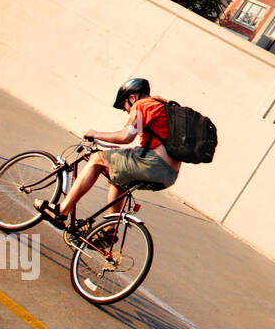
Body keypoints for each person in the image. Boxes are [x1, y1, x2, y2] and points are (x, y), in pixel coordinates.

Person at [36, 78, 180, 229]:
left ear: (132, 97)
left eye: (124, 106)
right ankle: (108, 232)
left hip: (153, 164)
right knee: (117, 177)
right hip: (169, 175)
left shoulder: (143, 105)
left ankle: (61, 211)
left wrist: (96, 134)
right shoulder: (163, 106)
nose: (126, 111)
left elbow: (126, 137)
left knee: (97, 159)